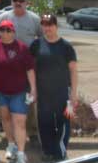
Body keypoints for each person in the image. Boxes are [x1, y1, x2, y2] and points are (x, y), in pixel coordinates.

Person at [0, 0, 42, 144]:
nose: (18, 2)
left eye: (21, 0)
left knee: (29, 100)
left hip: (27, 67)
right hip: (6, 68)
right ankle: (10, 134)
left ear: (26, 2)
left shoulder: (34, 19)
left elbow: (42, 37)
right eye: (15, 0)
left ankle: (31, 131)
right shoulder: (3, 18)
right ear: (11, 2)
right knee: (6, 104)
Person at [30, 14, 78, 162]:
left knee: (63, 123)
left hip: (62, 93)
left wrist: (74, 94)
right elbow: (30, 69)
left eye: (50, 24)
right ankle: (48, 151)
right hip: (43, 93)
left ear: (56, 26)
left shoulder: (66, 46)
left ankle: (60, 152)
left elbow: (73, 71)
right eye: (44, 24)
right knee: (44, 123)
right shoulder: (36, 44)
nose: (47, 28)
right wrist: (33, 90)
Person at [0, 20, 37, 163]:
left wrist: (33, 89)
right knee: (5, 119)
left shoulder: (22, 48)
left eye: (8, 30)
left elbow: (30, 70)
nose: (5, 33)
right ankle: (11, 145)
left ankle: (21, 153)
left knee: (20, 122)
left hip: (19, 92)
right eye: (2, 30)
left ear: (13, 32)